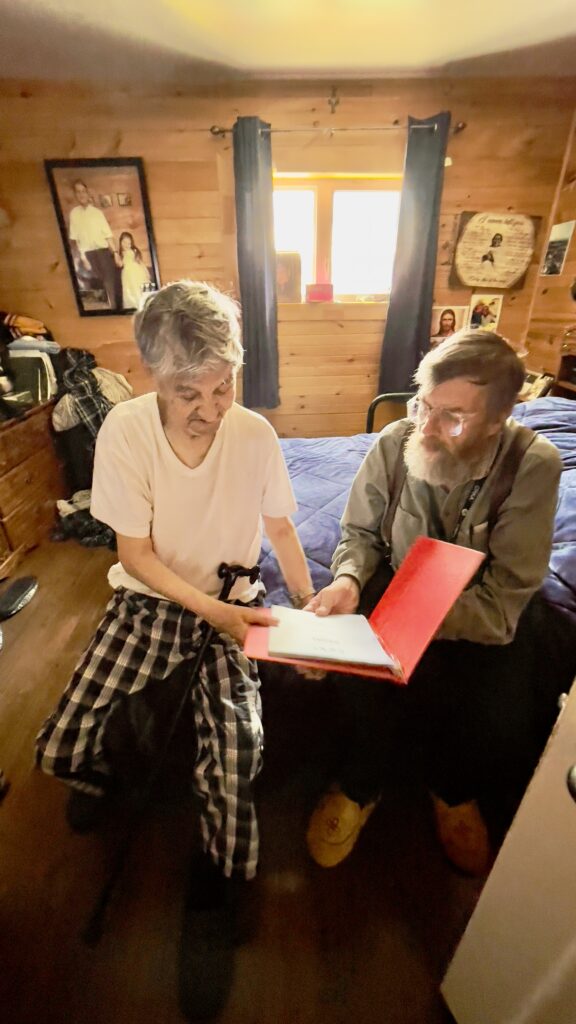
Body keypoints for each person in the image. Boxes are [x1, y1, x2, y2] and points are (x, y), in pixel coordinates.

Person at [35, 280, 314, 1018]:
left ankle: (214, 889)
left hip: (235, 600)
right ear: (154, 374)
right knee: (59, 745)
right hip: (153, 598)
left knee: (235, 755)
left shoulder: (252, 433)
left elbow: (282, 528)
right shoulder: (125, 430)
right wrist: (211, 613)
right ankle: (95, 771)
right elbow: (137, 554)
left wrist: (310, 608)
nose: (213, 409)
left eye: (225, 387)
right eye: (191, 391)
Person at [304, 330, 575, 877]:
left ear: (498, 421)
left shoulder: (533, 465)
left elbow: (503, 600)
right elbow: (358, 532)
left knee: (497, 700)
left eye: (451, 416)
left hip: (474, 608)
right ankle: (362, 782)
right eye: (423, 404)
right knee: (353, 669)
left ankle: (452, 789)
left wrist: (417, 621)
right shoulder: (396, 439)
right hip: (397, 585)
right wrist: (350, 581)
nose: (424, 427)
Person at [68, 180, 122, 310]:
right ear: (75, 195)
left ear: (87, 193)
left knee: (110, 284)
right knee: (93, 287)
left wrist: (115, 254)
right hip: (87, 255)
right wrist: (82, 258)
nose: (81, 194)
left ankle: (114, 310)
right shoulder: (74, 214)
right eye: (78, 191)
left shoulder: (97, 213)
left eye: (83, 191)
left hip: (103, 252)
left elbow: (108, 235)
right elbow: (75, 240)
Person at [118, 230, 151, 309]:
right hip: (126, 274)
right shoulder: (121, 253)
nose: (126, 245)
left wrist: (146, 273)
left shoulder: (132, 251)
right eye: (124, 242)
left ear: (131, 244)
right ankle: (132, 305)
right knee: (128, 290)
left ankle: (139, 304)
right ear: (120, 242)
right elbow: (120, 264)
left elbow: (140, 263)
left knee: (136, 288)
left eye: (128, 243)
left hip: (135, 272)